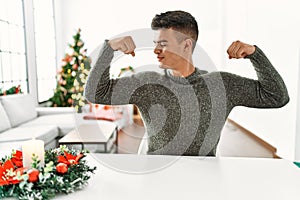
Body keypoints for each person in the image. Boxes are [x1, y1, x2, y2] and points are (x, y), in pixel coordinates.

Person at [84, 10, 289, 156]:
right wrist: (109, 49)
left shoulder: (221, 85)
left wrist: (255, 54)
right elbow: (95, 93)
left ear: (186, 45)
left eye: (162, 44)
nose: (155, 50)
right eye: (155, 44)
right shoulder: (147, 83)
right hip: (156, 180)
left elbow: (277, 97)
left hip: (203, 181)